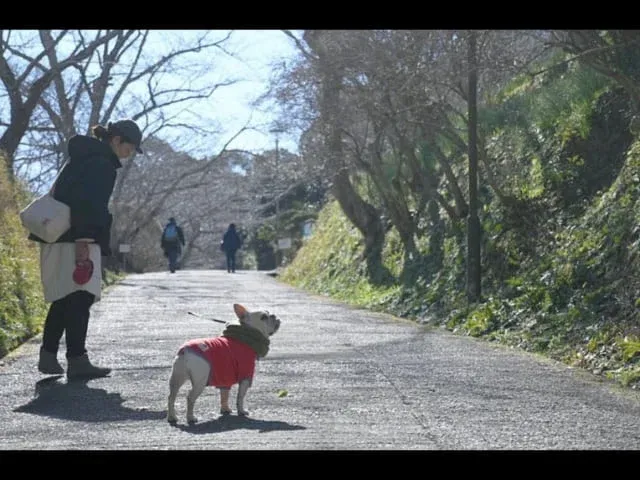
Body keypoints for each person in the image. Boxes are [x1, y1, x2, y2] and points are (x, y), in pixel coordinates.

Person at [31, 118, 144, 380]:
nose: (129, 154)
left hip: (58, 235)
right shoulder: (102, 164)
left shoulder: (84, 156)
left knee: (64, 296)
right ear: (116, 140)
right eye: (129, 147)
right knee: (81, 297)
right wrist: (84, 242)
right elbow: (88, 205)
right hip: (77, 238)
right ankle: (77, 359)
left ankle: (48, 354)